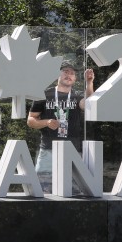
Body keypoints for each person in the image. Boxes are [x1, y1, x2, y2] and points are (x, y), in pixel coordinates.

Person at [27, 61, 95, 193]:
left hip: (72, 151)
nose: (69, 75)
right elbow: (30, 120)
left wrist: (89, 83)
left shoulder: (77, 95)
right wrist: (46, 122)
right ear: (57, 75)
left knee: (73, 192)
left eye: (72, 73)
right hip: (48, 150)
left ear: (75, 79)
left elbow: (88, 104)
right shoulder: (43, 94)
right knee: (41, 191)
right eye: (65, 71)